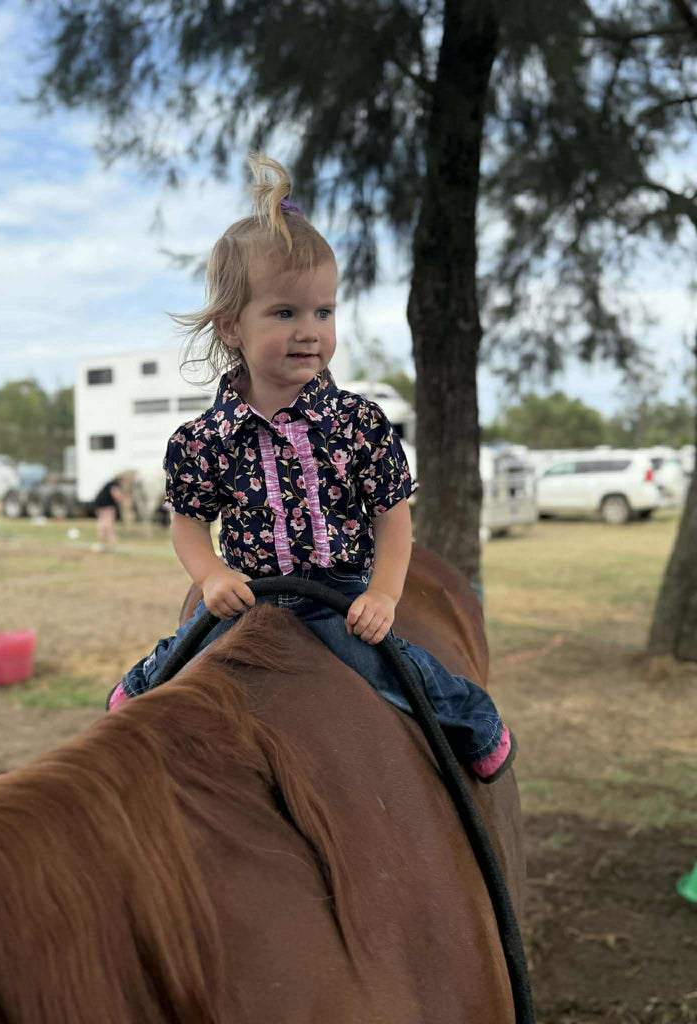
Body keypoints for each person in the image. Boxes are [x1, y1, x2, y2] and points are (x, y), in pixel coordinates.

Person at [109, 154, 515, 783]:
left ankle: (474, 720)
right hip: (250, 596)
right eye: (285, 313)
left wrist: (382, 593)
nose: (310, 331)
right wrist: (212, 574)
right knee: (184, 662)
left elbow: (393, 517)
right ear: (230, 327)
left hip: (337, 594)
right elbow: (188, 524)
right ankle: (138, 692)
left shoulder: (358, 423)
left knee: (393, 664)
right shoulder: (203, 439)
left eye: (323, 312)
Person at [94, 474, 128, 548]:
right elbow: (116, 495)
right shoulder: (114, 484)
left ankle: (103, 537)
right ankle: (110, 537)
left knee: (102, 521)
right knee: (108, 521)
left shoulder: (110, 483)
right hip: (106, 504)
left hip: (101, 504)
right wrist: (123, 503)